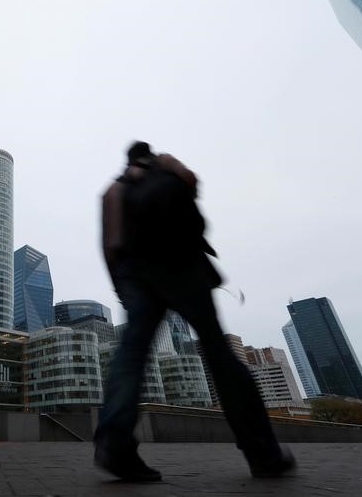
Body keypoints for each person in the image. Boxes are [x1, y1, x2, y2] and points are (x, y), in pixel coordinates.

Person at [94, 141, 295, 482]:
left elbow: (111, 245)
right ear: (149, 153)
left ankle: (115, 443)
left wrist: (124, 290)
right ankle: (262, 451)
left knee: (131, 355)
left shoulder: (114, 189)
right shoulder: (165, 166)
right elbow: (192, 186)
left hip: (137, 273)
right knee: (220, 355)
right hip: (183, 267)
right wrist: (169, 167)